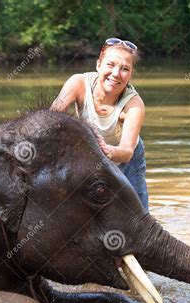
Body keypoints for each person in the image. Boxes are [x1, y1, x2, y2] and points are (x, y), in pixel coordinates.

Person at [50, 38, 148, 211]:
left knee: (137, 216)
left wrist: (108, 151)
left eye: (125, 69)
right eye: (110, 64)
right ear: (98, 65)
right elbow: (50, 120)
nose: (116, 73)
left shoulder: (134, 105)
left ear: (131, 74)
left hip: (127, 159)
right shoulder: (78, 83)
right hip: (90, 153)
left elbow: (126, 152)